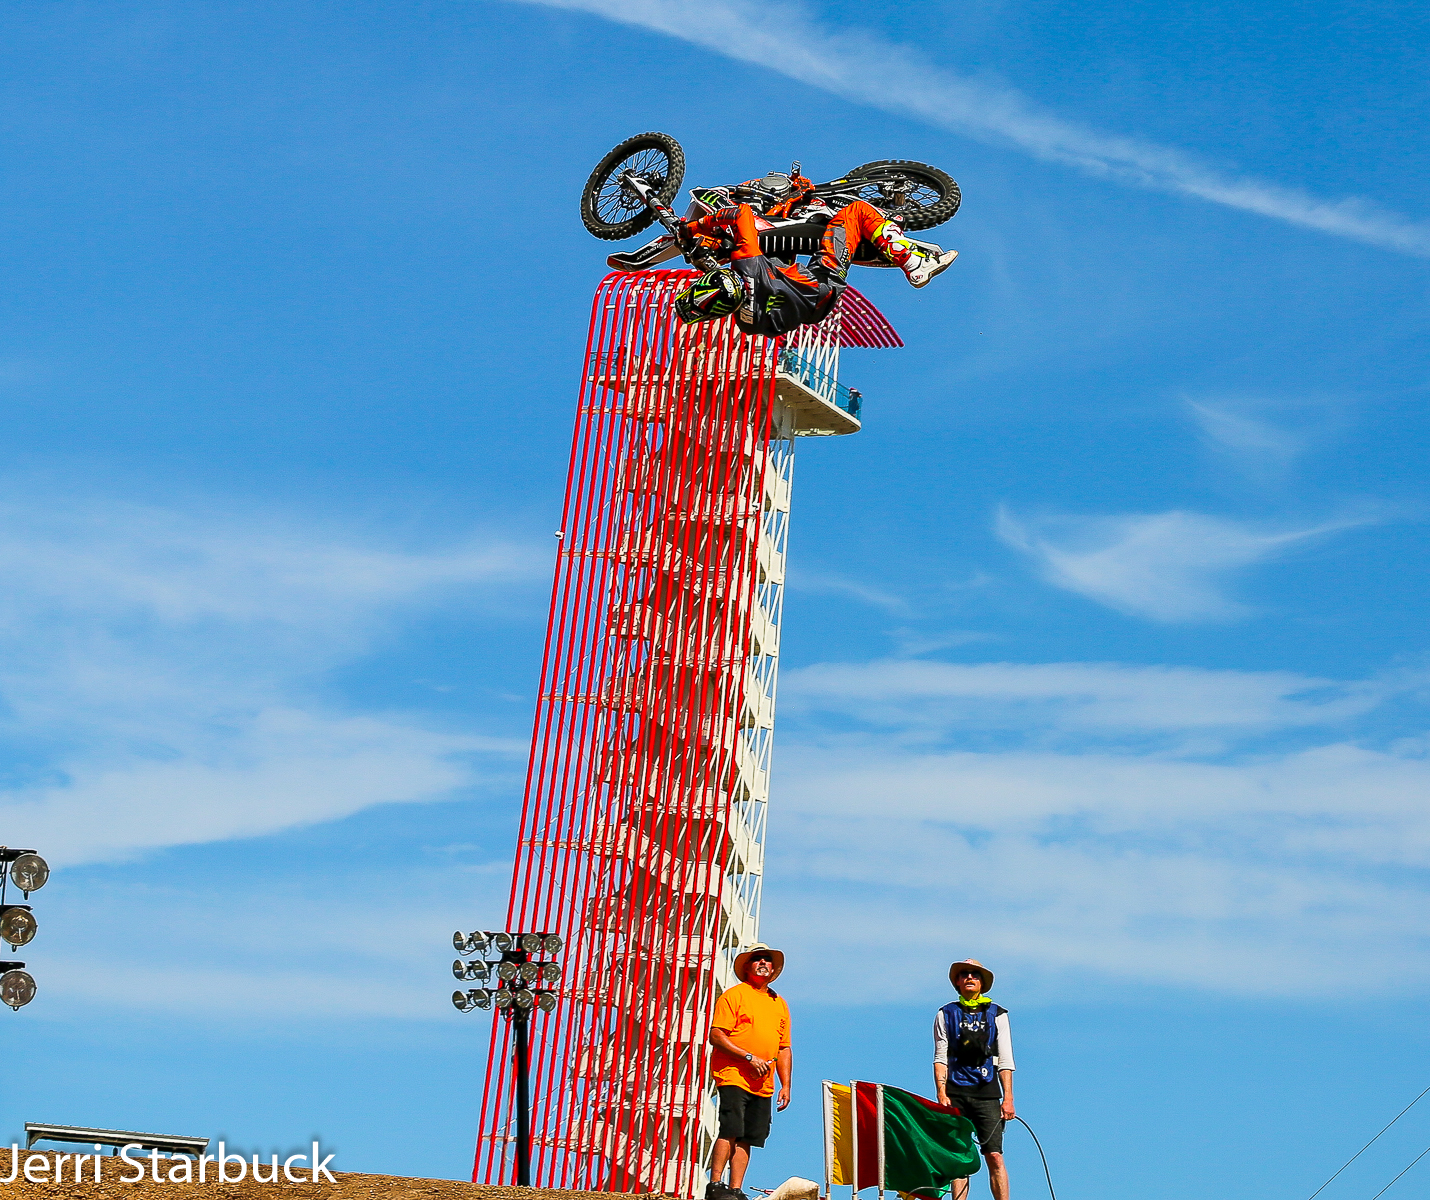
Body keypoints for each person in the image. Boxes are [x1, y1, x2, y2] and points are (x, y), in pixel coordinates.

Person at [674, 200, 958, 335]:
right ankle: (913, 263)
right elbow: (741, 212)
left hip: (811, 307)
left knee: (774, 255)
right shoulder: (746, 263)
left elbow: (770, 321)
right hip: (823, 280)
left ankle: (789, 217)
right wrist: (695, 227)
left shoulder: (746, 324)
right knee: (857, 212)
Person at [706, 943, 792, 1200]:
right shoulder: (734, 996)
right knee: (731, 1128)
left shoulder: (779, 1003)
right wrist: (748, 1057)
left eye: (767, 959)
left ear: (773, 968)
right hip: (733, 1074)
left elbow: (784, 1047)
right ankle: (716, 1184)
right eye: (757, 959)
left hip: (763, 1083)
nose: (763, 962)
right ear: (746, 967)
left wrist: (786, 1085)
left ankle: (735, 1189)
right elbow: (716, 1035)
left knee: (748, 1137)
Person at [934, 958, 1014, 1200]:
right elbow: (940, 1057)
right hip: (955, 1092)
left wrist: (1008, 1098)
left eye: (975, 974)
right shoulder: (945, 1014)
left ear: (982, 982)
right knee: (959, 1156)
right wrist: (941, 1093)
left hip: (987, 1092)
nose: (969, 977)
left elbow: (1005, 1059)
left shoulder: (998, 1014)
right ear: (957, 982)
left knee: (994, 1155)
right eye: (964, 974)